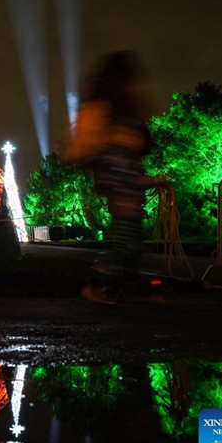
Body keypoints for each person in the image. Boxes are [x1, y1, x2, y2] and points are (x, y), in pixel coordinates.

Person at [64, 51, 165, 304]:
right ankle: (97, 283)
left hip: (125, 182)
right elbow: (101, 151)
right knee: (127, 241)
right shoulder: (109, 110)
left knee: (131, 240)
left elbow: (135, 150)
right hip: (121, 183)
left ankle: (119, 287)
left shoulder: (120, 111)